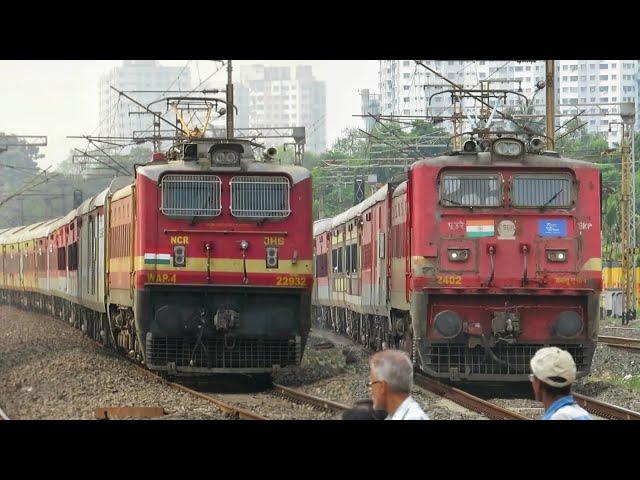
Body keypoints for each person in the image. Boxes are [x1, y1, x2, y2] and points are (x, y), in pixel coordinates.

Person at [529, 346, 592, 420]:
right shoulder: (584, 414)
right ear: (570, 383)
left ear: (538, 384)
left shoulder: (557, 417)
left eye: (532, 378)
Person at [368, 349, 429, 420]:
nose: (371, 391)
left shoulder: (412, 418)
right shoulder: (398, 416)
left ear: (382, 387)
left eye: (372, 384)